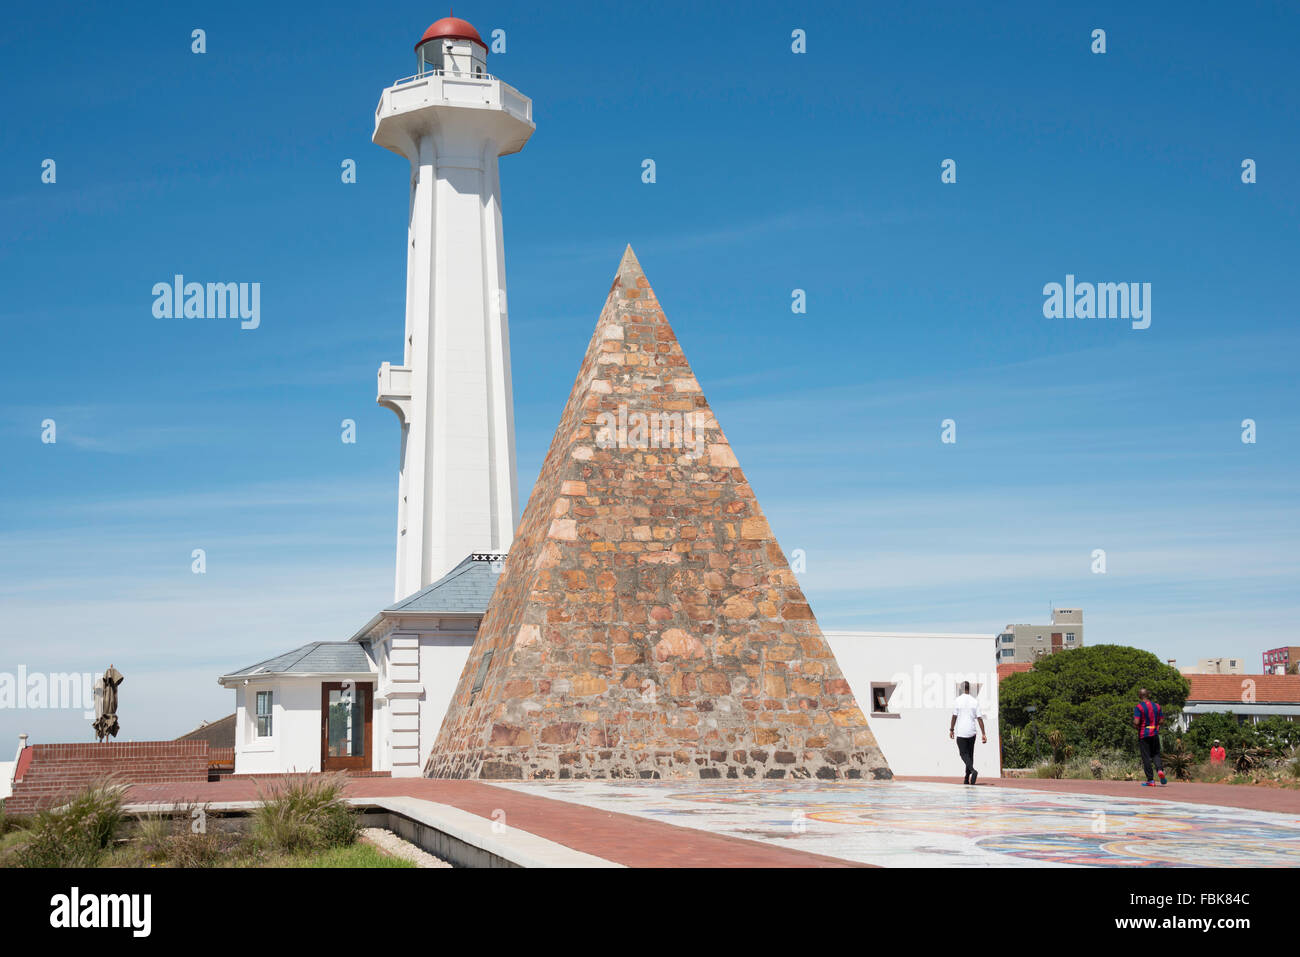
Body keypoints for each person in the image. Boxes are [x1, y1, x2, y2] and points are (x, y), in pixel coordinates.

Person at [949, 681, 986, 784]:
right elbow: (979, 718)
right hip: (972, 732)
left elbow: (954, 716)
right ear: (969, 689)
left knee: (963, 754)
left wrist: (951, 729)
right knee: (970, 755)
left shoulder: (957, 700)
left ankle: (973, 771)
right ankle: (966, 778)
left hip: (961, 732)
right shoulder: (974, 701)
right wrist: (983, 734)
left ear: (961, 689)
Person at [1133, 687, 1166, 786]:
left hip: (1144, 734)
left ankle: (1150, 780)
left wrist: (1135, 726)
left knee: (1146, 757)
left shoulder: (1139, 707)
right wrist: (1156, 725)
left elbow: (1136, 722)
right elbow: (1161, 720)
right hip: (1154, 733)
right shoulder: (1157, 706)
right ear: (1148, 695)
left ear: (1140, 696)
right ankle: (1160, 770)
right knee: (1156, 754)